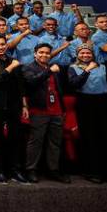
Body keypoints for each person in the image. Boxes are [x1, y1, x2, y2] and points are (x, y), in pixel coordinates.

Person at [68, 44, 107, 184]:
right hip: (86, 104)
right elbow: (75, 84)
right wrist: (87, 70)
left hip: (104, 104)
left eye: (88, 53)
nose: (85, 55)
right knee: (91, 138)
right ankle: (93, 171)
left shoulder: (103, 67)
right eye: (82, 53)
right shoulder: (73, 68)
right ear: (77, 55)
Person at [0, 34, 29, 183]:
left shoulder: (11, 60)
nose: (0, 47)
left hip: (14, 105)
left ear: (7, 45)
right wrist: (11, 67)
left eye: (3, 44)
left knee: (16, 138)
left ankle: (14, 170)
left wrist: (24, 105)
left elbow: (20, 86)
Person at [22, 43, 71, 184]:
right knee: (35, 142)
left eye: (47, 53)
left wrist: (62, 109)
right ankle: (31, 170)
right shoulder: (28, 68)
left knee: (55, 143)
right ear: (35, 53)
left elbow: (58, 90)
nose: (44, 55)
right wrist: (49, 72)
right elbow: (31, 82)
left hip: (56, 110)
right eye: (41, 52)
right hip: (39, 110)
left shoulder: (55, 68)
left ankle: (53, 170)